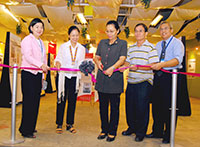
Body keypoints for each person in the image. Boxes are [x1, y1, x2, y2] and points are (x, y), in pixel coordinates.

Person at [146, 21, 185, 144]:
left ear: (171, 30)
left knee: (169, 107)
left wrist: (162, 64)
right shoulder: (158, 44)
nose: (163, 31)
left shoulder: (177, 43)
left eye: (166, 29)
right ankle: (157, 131)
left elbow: (177, 60)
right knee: (157, 106)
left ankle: (168, 134)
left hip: (171, 78)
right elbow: (155, 60)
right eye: (161, 29)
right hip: (158, 77)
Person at [120, 23, 159, 142]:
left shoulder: (151, 48)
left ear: (146, 33)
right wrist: (124, 66)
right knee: (130, 107)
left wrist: (139, 67)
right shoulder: (131, 48)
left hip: (144, 81)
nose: (138, 33)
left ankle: (140, 132)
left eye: (140, 31)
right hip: (131, 81)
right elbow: (127, 62)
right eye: (136, 31)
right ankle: (132, 128)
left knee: (142, 108)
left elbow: (153, 65)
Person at [94, 20, 127, 142]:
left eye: (112, 31)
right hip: (102, 79)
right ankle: (104, 129)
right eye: (107, 31)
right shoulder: (102, 43)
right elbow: (97, 56)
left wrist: (113, 68)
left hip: (115, 80)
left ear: (118, 31)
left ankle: (112, 131)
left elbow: (122, 59)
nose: (109, 33)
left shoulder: (122, 43)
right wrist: (98, 62)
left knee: (114, 108)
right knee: (103, 107)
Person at [19, 18, 49, 138]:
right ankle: (25, 130)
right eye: (37, 27)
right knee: (28, 102)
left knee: (35, 102)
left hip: (37, 75)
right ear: (31, 28)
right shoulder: (27, 40)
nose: (39, 29)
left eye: (41, 27)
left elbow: (43, 59)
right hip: (28, 74)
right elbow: (28, 56)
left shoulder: (41, 42)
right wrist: (40, 65)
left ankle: (30, 126)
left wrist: (42, 76)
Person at [54, 26, 85, 134]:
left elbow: (81, 62)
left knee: (72, 101)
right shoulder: (63, 46)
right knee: (61, 99)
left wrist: (85, 67)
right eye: (73, 35)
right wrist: (57, 63)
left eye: (77, 35)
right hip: (63, 76)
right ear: (69, 36)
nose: (75, 37)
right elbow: (58, 58)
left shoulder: (81, 48)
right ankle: (59, 124)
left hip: (75, 77)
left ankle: (69, 124)